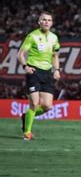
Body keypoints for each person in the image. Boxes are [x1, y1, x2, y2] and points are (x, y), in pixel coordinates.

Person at [17, 12, 61, 140]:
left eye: (49, 20)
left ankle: (26, 116)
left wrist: (57, 69)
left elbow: (55, 56)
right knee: (35, 104)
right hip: (34, 72)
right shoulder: (32, 36)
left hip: (47, 73)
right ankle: (27, 132)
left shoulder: (54, 38)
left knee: (47, 106)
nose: (47, 22)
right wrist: (25, 66)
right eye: (44, 20)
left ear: (51, 23)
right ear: (39, 22)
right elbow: (20, 54)